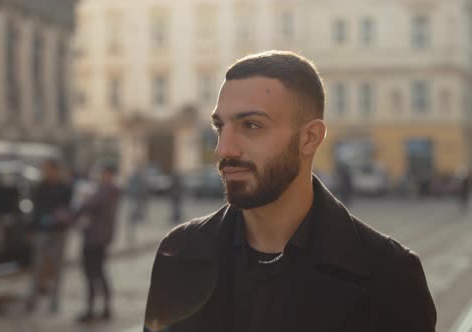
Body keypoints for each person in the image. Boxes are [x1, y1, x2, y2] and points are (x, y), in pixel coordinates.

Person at [144, 51, 436, 331]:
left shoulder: (389, 274)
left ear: (310, 138)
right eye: (220, 127)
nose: (223, 149)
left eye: (252, 125)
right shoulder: (179, 253)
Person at [74, 162, 121, 323]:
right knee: (99, 273)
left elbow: (86, 206)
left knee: (92, 274)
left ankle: (92, 310)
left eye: (103, 173)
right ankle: (104, 308)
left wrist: (73, 211)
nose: (100, 176)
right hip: (101, 238)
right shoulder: (110, 191)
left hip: (94, 238)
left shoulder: (104, 191)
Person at [25, 160, 72, 313]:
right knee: (37, 266)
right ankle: (31, 299)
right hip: (42, 232)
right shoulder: (40, 188)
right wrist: (32, 229)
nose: (47, 173)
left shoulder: (64, 188)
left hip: (59, 232)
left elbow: (69, 208)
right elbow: (35, 210)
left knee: (57, 269)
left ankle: (54, 302)